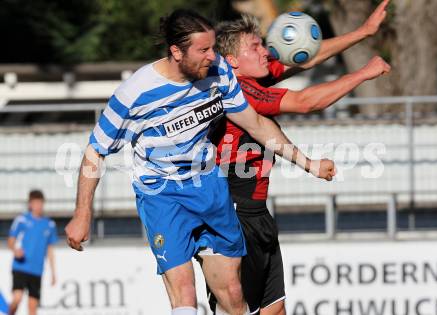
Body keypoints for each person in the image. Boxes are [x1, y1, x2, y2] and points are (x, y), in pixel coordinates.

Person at [64, 9, 335, 315]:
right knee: (185, 291)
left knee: (233, 294)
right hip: (162, 195)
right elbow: (94, 151)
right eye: (203, 50)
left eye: (212, 47)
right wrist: (82, 212)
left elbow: (255, 123)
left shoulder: (219, 72)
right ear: (176, 52)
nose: (212, 56)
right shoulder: (135, 94)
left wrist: (308, 163)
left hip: (209, 187)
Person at [209, 1, 391, 314]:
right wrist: (362, 74)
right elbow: (306, 101)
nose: (266, 52)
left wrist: (363, 32)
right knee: (233, 310)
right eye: (256, 47)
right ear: (232, 61)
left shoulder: (254, 78)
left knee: (274, 310)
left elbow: (306, 55)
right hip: (232, 215)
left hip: (256, 214)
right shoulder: (237, 90)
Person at [7, 190, 58, 315]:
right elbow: (10, 240)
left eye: (40, 203)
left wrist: (53, 273)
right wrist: (15, 250)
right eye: (35, 203)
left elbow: (50, 250)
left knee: (33, 307)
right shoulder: (22, 220)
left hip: (37, 270)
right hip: (21, 266)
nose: (38, 206)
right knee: (17, 298)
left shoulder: (49, 224)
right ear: (30, 204)